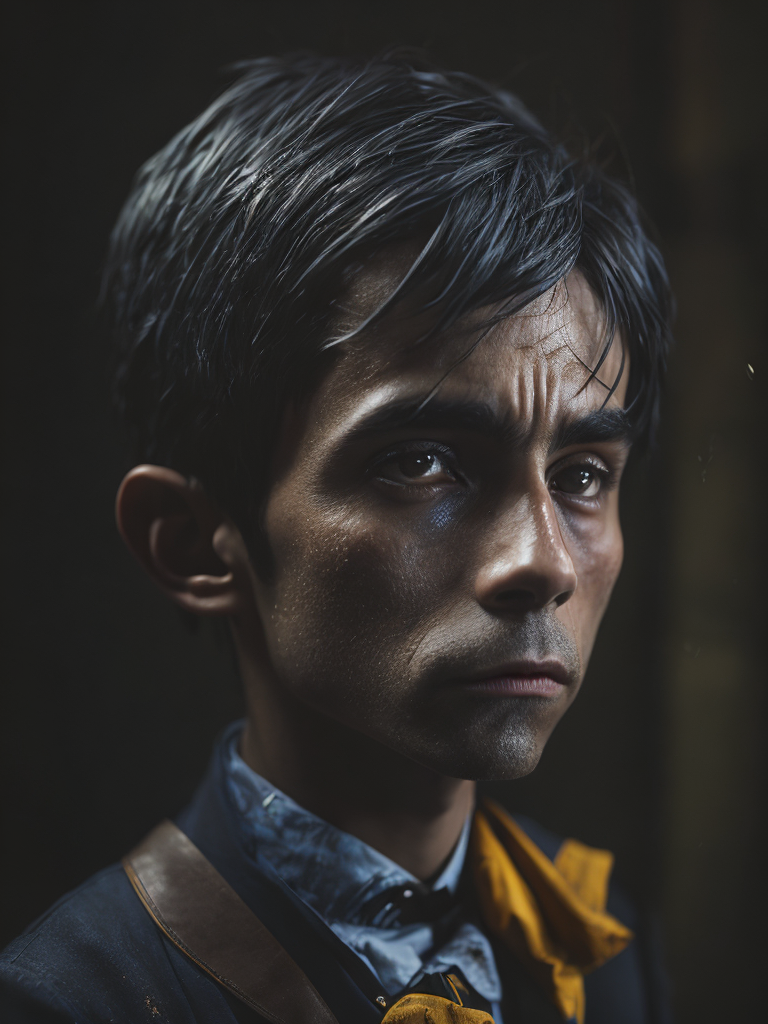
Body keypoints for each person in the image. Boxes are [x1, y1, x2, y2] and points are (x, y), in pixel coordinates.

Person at [0, 52, 673, 1024]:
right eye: (422, 463)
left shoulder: (604, 941)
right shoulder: (69, 1002)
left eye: (580, 476)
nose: (544, 561)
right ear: (194, 543)